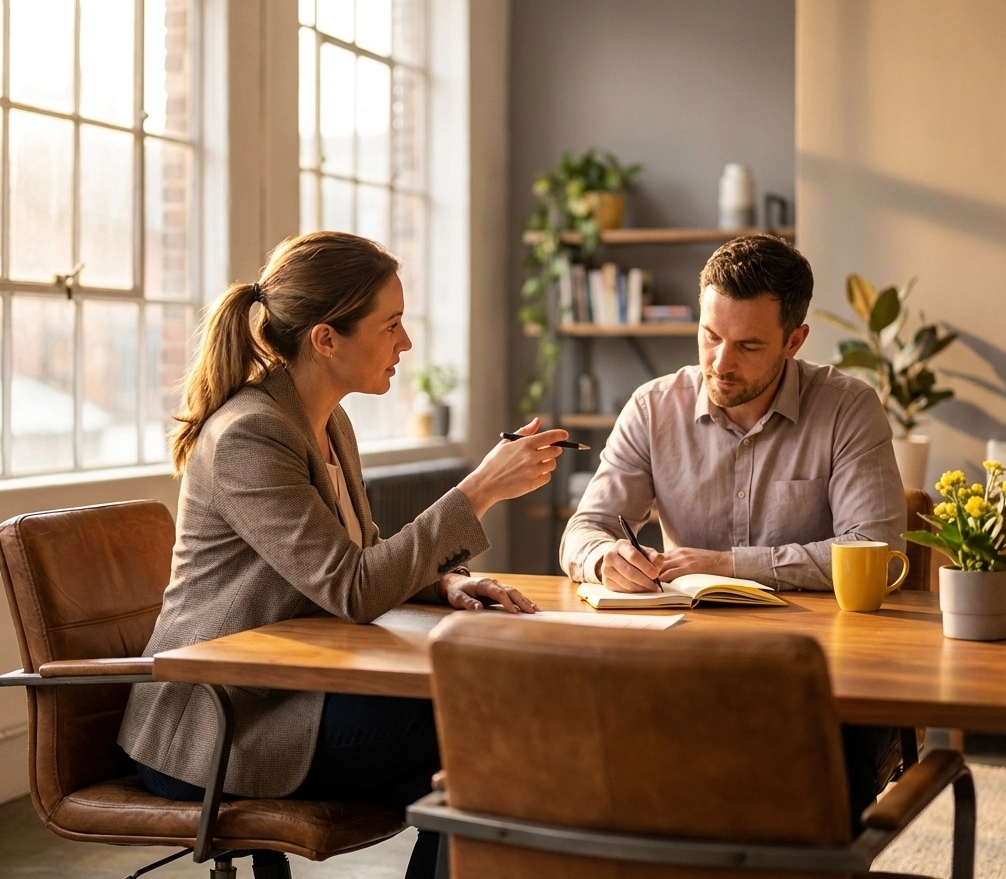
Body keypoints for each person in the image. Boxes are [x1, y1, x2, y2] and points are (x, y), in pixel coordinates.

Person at [120, 232, 567, 879]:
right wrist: (480, 489)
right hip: (222, 722)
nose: (405, 343)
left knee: (501, 744)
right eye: (391, 325)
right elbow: (352, 588)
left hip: (294, 691)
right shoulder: (250, 435)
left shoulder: (328, 421)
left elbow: (360, 558)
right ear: (326, 339)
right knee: (483, 732)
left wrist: (443, 584)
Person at [559, 233, 905, 829]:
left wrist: (726, 564)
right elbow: (584, 528)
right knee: (597, 767)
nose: (720, 363)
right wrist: (603, 557)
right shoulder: (652, 408)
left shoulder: (848, 408)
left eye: (748, 345)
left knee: (812, 801)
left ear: (794, 341)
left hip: (824, 678)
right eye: (710, 336)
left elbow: (874, 551)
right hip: (686, 666)